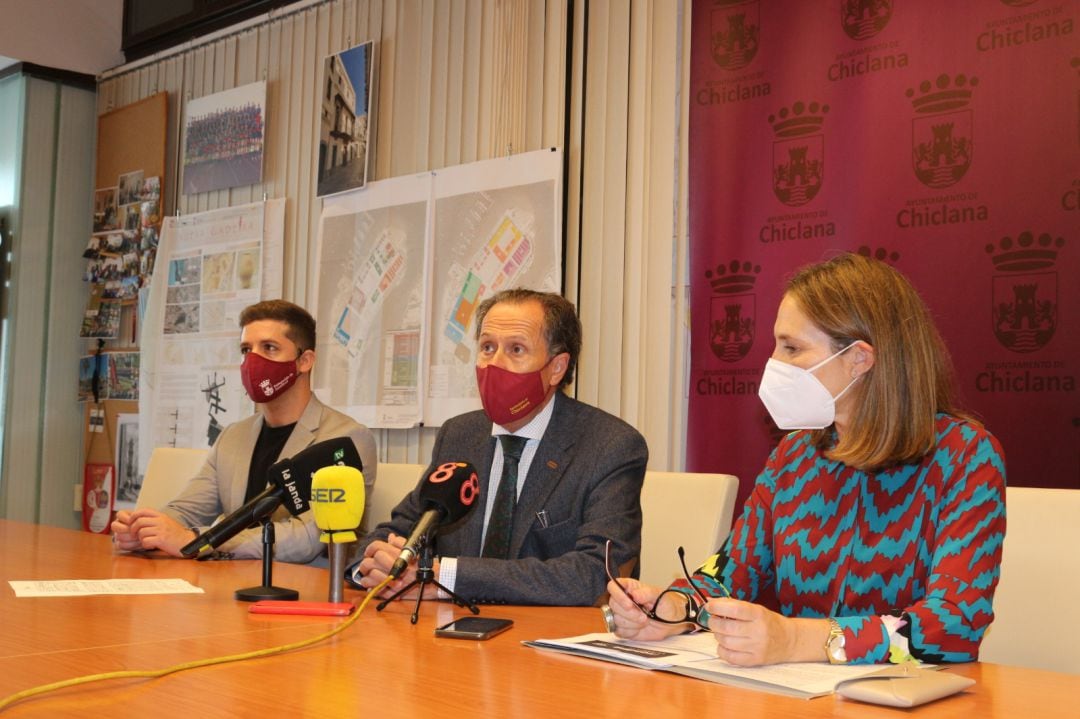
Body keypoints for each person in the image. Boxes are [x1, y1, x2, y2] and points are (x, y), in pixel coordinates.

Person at [607, 252, 1006, 666]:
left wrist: (800, 640)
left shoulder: (964, 455)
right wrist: (671, 610)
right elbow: (728, 575)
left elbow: (956, 624)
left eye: (792, 348)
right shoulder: (794, 455)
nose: (773, 365)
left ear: (859, 360)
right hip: (798, 696)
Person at [349, 288, 648, 605]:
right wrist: (374, 565)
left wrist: (442, 577)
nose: (495, 364)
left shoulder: (610, 445)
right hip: (450, 634)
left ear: (557, 368)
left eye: (516, 350)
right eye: (487, 347)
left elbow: (594, 575)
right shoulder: (461, 434)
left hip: (549, 640)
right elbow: (400, 528)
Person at [111, 300, 378, 563]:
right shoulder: (233, 436)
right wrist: (144, 530)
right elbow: (187, 510)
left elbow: (309, 537)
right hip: (229, 584)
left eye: (269, 348)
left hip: (303, 591)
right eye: (246, 349)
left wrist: (197, 540)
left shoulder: (347, 440)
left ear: (304, 361)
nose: (253, 361)